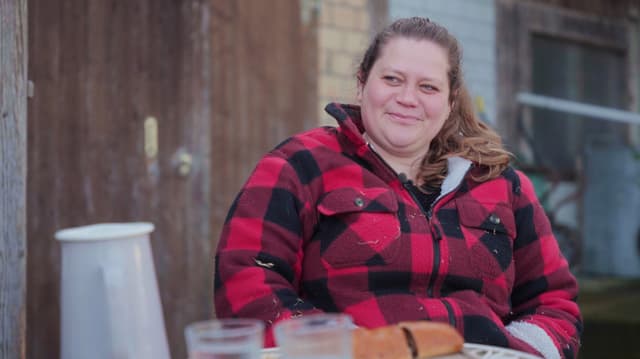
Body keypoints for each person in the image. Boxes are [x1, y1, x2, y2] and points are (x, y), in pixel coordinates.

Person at [214, 17, 582, 359]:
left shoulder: (503, 186)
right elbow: (247, 282)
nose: (408, 98)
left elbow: (555, 303)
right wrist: (348, 349)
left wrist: (517, 353)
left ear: (450, 102)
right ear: (362, 83)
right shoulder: (299, 165)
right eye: (392, 79)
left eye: (428, 87)